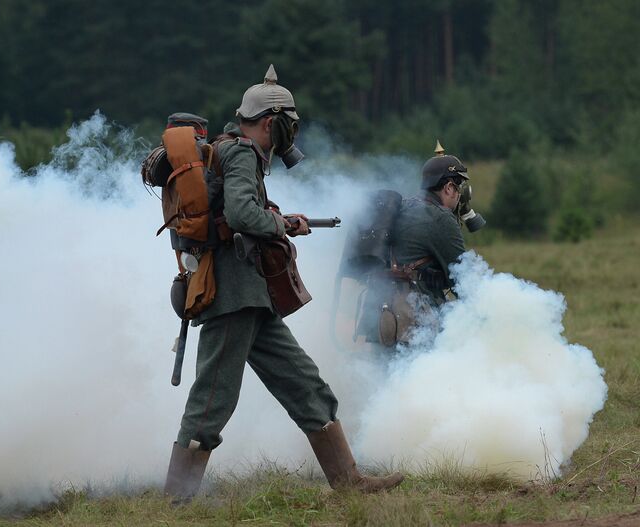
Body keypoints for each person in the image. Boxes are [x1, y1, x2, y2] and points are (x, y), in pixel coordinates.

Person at [163, 65, 404, 498]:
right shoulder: (240, 152)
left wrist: (278, 220)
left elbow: (239, 215)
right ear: (273, 123)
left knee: (306, 385)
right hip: (234, 295)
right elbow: (239, 215)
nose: (288, 138)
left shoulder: (230, 151)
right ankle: (175, 500)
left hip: (252, 297)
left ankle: (348, 482)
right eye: (287, 128)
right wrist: (279, 224)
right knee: (213, 399)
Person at [390, 143, 469, 303]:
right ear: (448, 188)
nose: (460, 193)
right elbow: (466, 283)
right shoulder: (440, 218)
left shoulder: (403, 206)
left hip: (378, 309)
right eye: (458, 187)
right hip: (417, 316)